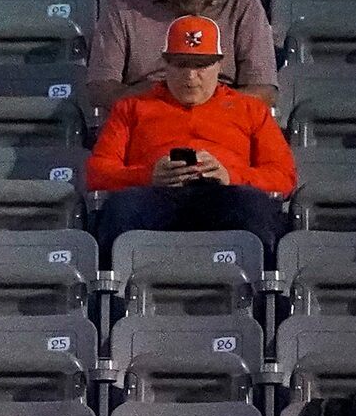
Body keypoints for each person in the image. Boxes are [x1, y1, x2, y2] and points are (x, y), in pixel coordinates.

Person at [86, 16, 294, 254]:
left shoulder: (251, 110)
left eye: (201, 65)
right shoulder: (131, 107)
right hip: (155, 195)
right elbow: (98, 172)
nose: (191, 76)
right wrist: (149, 175)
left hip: (224, 195)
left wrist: (230, 175)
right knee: (122, 208)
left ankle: (257, 286)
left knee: (253, 207)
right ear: (165, 64)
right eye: (181, 64)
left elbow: (283, 176)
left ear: (219, 65)